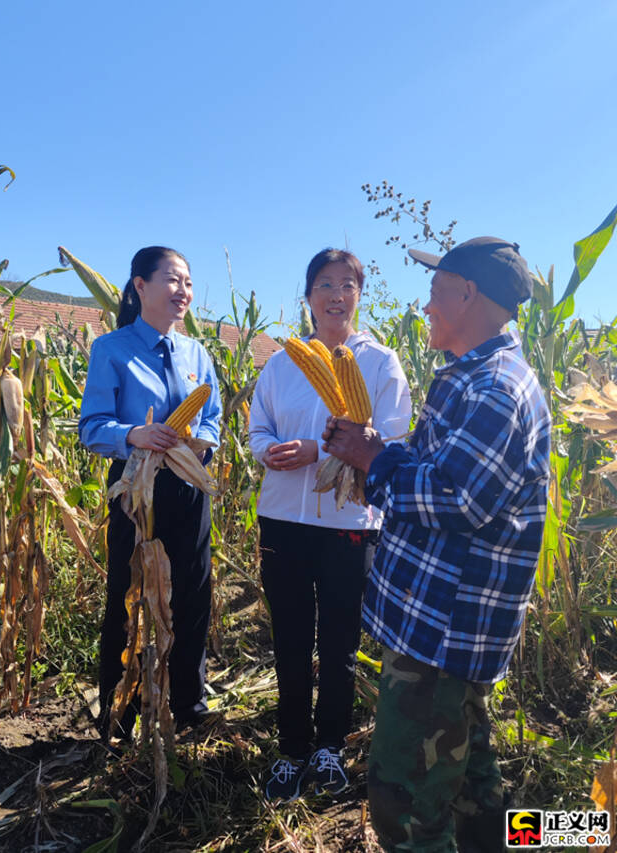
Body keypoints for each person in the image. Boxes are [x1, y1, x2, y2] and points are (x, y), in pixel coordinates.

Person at [323, 237, 551, 852]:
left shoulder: (498, 390)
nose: (425, 305)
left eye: (434, 289)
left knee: (405, 796)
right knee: (472, 776)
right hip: (441, 627)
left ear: (467, 294)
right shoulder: (469, 378)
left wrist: (375, 461)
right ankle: (502, 844)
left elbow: (458, 501)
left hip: (445, 633)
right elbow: (439, 467)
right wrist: (381, 451)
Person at [249, 248, 411, 802]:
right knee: (290, 639)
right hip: (283, 521)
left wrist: (317, 450)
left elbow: (390, 437)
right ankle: (291, 749)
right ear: (308, 298)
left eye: (347, 284)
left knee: (339, 640)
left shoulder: (381, 362)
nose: (336, 294)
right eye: (324, 284)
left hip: (351, 521)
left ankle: (329, 748)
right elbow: (258, 429)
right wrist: (269, 451)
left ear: (359, 295)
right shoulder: (280, 363)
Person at [79, 246, 222, 744]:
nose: (183, 291)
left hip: (187, 485)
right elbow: (92, 427)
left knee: (192, 596)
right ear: (140, 286)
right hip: (136, 488)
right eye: (172, 280)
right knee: (128, 594)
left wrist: (198, 443)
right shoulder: (112, 350)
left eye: (187, 282)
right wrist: (134, 436)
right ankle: (118, 713)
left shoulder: (197, 354)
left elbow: (213, 418)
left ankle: (189, 705)